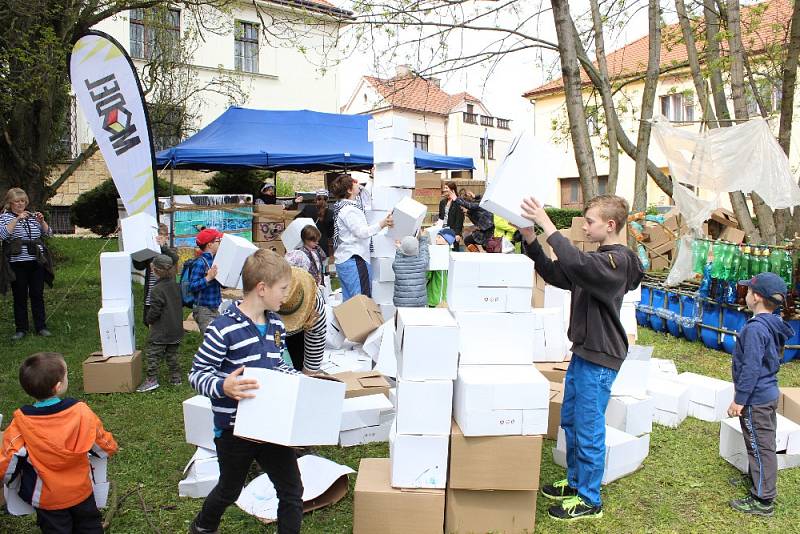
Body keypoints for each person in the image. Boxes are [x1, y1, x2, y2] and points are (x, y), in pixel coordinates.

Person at [519, 194, 643, 522]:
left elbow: (577, 265)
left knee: (588, 427)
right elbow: (559, 274)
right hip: (584, 353)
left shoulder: (618, 263)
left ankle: (589, 499)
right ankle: (575, 482)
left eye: (590, 221)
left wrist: (546, 223)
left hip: (601, 358)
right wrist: (531, 239)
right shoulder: (597, 261)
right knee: (572, 421)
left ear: (611, 225)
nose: (585, 227)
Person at [188, 249, 303, 534]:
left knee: (292, 491)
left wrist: (301, 382)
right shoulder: (222, 329)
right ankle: (203, 526)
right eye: (283, 289)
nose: (286, 297)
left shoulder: (276, 324)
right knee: (229, 489)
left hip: (270, 425)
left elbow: (279, 364)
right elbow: (198, 373)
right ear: (262, 288)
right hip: (234, 430)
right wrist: (223, 385)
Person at [0, 352, 118, 533]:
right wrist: (110, 448)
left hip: (47, 498)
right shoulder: (81, 412)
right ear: (58, 386)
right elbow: (102, 444)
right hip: (81, 491)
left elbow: (8, 463)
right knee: (89, 526)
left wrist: (10, 482)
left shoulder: (20, 423)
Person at [727, 272, 794, 516]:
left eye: (748, 292)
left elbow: (751, 368)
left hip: (756, 399)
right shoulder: (773, 324)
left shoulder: (756, 330)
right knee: (759, 441)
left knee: (760, 445)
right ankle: (758, 480)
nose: (745, 295)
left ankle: (763, 498)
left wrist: (740, 400)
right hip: (767, 394)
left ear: (756, 297)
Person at [0, 188, 54, 340]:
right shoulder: (4, 218)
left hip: (36, 261)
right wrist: (17, 219)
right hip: (17, 262)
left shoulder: (32, 217)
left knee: (37, 294)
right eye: (17, 201)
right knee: (20, 295)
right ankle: (21, 329)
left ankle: (41, 326)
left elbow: (49, 233)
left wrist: (41, 221)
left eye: (23, 201)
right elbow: (4, 235)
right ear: (10, 203)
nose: (20, 204)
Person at [331, 174, 392, 301]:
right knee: (361, 301)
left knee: (350, 302)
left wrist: (372, 177)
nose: (358, 183)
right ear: (349, 190)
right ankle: (361, 321)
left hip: (348, 258)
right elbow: (361, 232)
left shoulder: (348, 205)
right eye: (354, 182)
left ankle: (350, 321)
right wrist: (382, 224)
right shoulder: (349, 210)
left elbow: (366, 197)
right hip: (354, 259)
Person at [137, 254, 184, 392]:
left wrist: (148, 320)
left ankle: (152, 380)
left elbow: (155, 310)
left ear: (155, 270)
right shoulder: (176, 285)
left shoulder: (157, 289)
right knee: (173, 354)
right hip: (176, 327)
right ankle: (176, 378)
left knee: (153, 354)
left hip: (161, 329)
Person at [278, 266, 327, 373]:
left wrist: (306, 383)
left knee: (300, 366)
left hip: (300, 334)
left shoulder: (314, 307)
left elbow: (313, 360)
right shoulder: (259, 307)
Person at [135, 223, 179, 324]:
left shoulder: (170, 250)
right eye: (156, 235)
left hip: (166, 294)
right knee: (150, 321)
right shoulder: (150, 252)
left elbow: (174, 259)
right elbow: (139, 266)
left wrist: (163, 247)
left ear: (166, 237)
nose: (158, 238)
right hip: (151, 294)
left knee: (165, 319)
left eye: (161, 235)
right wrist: (137, 252)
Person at [187, 228, 224, 333]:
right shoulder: (200, 262)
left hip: (215, 307)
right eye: (218, 241)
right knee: (211, 338)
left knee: (218, 336)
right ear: (210, 245)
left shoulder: (216, 260)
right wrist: (208, 278)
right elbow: (192, 286)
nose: (220, 243)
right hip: (203, 309)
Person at [393, 234, 430, 308]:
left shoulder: (397, 264)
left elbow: (398, 256)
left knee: (402, 319)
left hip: (401, 303)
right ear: (417, 248)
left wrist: (399, 248)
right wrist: (423, 239)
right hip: (419, 302)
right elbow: (424, 251)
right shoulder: (422, 262)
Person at [296, 190, 334, 257]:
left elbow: (297, 220)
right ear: (327, 199)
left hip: (308, 244)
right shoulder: (331, 213)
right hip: (323, 247)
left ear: (316, 199)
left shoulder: (308, 208)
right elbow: (330, 234)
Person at [427, 228, 455, 307]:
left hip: (434, 295)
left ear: (447, 241)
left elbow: (428, 275)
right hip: (447, 298)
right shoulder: (452, 255)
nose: (436, 239)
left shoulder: (436, 253)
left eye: (439, 237)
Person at [437, 181, 464, 251]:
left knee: (453, 250)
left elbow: (460, 219)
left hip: (453, 230)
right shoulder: (442, 202)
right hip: (443, 230)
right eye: (444, 188)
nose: (444, 190)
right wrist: (438, 223)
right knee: (443, 250)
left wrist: (458, 234)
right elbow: (441, 216)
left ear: (452, 190)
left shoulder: (458, 202)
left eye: (446, 188)